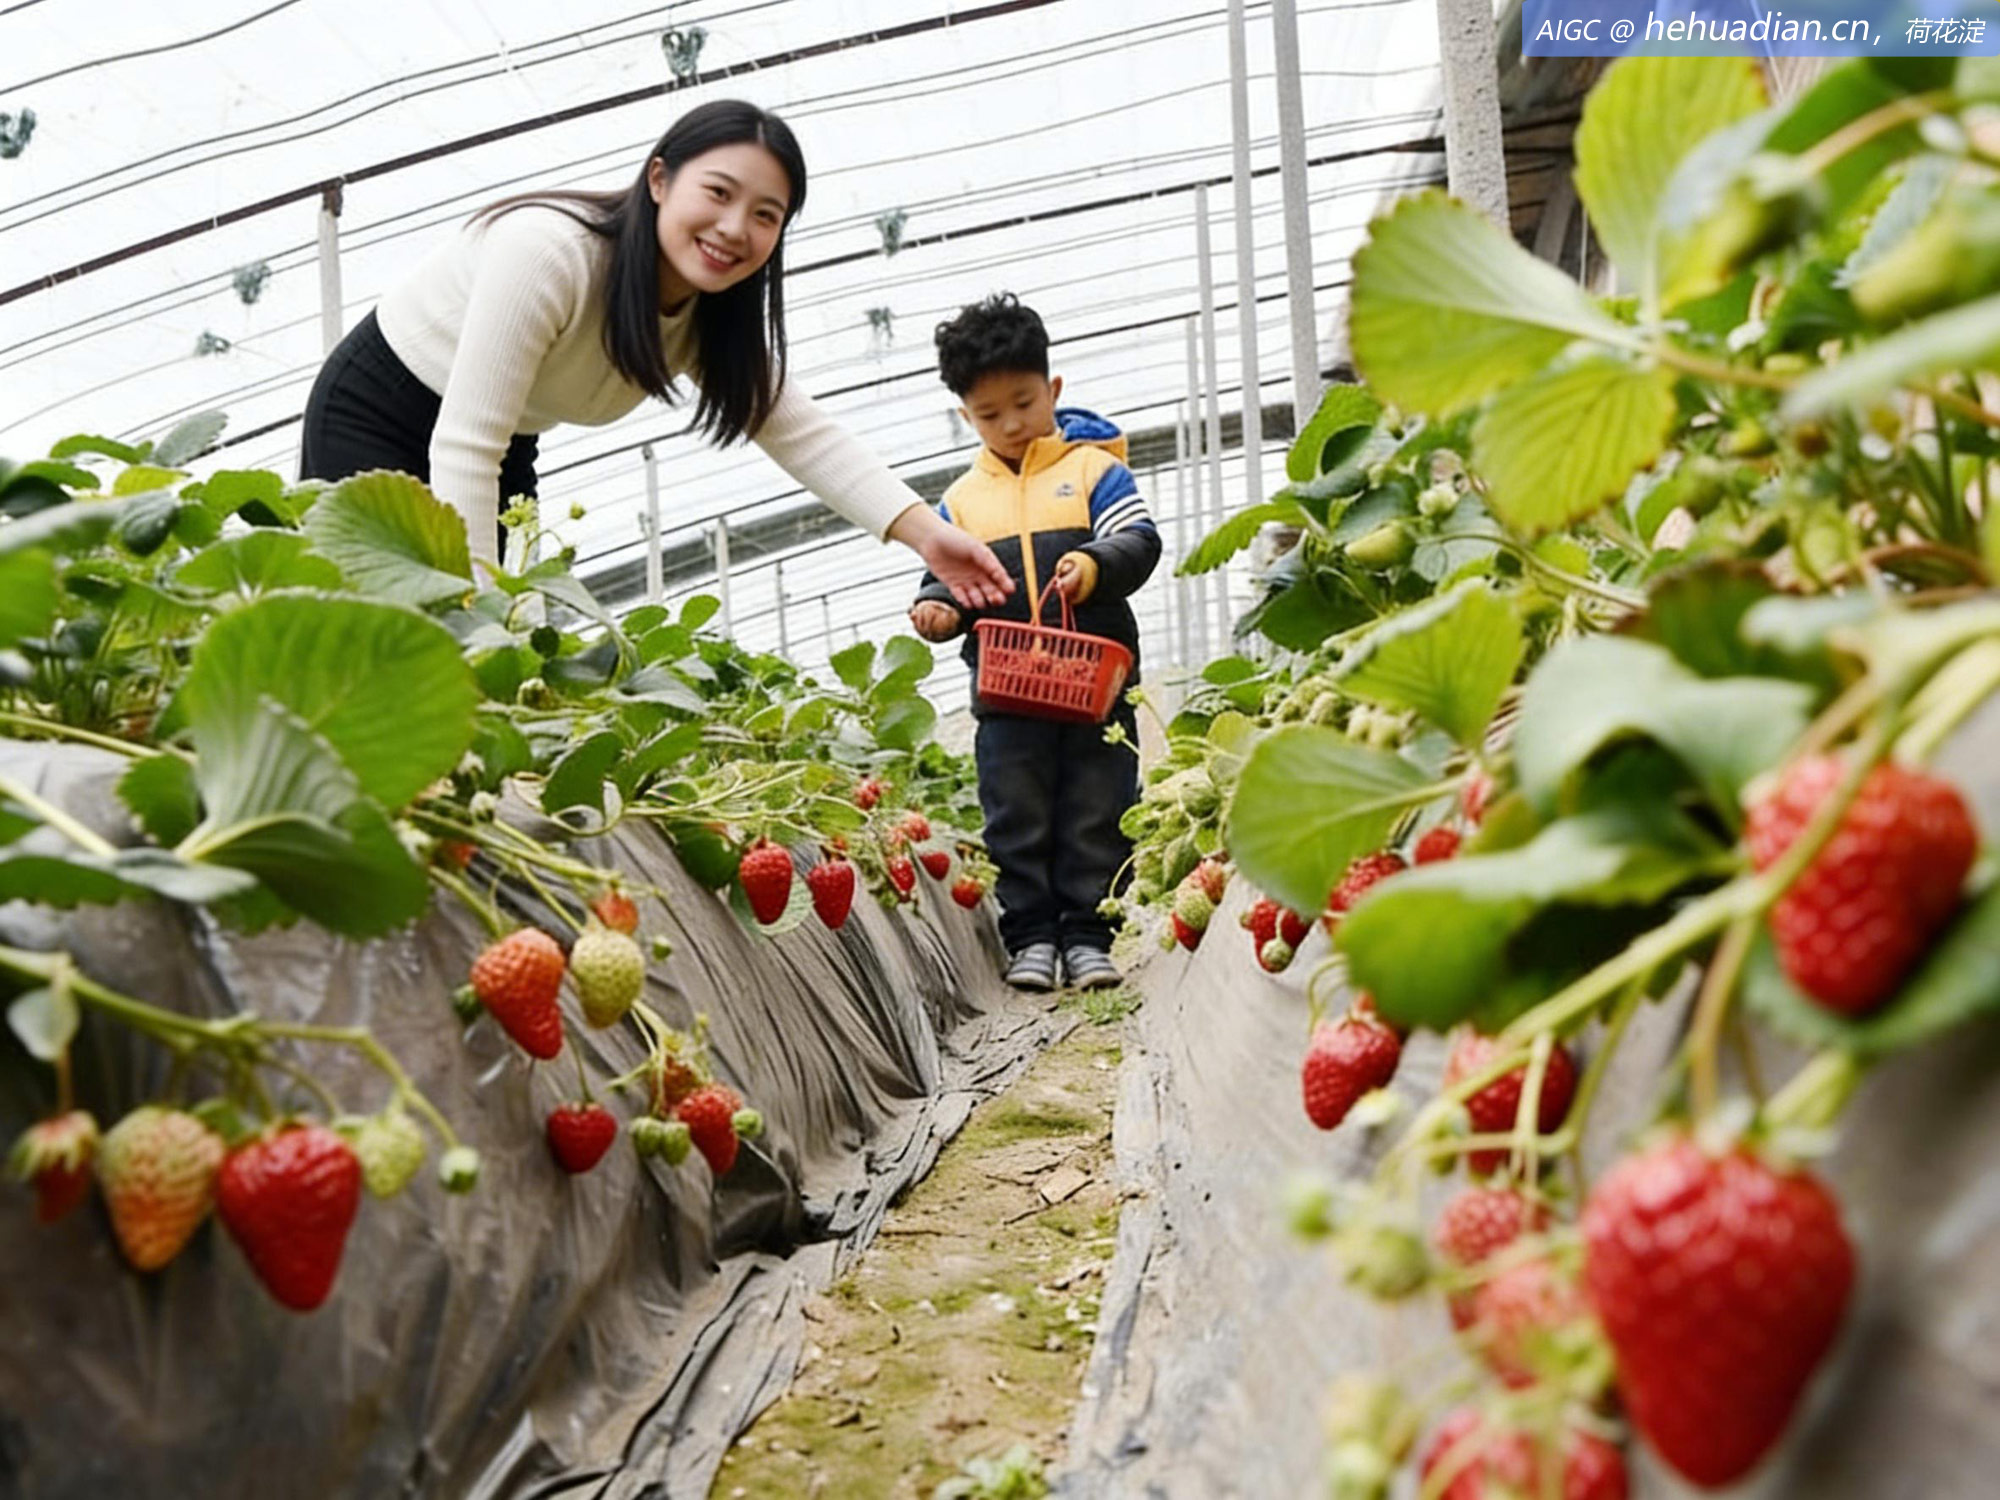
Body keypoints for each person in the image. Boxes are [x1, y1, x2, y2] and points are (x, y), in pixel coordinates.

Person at [298, 99, 1011, 610]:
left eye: (766, 215)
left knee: (495, 627)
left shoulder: (711, 318)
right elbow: (465, 443)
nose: (735, 229)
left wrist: (927, 536)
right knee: (373, 620)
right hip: (382, 413)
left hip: (504, 443)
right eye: (719, 193)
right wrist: (479, 622)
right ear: (660, 179)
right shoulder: (548, 252)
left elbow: (801, 432)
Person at [908, 294, 1160, 993]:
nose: (1012, 424)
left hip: (1095, 685)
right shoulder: (960, 503)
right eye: (990, 415)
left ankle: (1088, 935)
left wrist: (1096, 564)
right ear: (966, 416)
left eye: (1024, 402)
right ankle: (1031, 937)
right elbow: (945, 579)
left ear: (1052, 389)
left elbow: (1140, 540)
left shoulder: (1094, 473)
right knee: (1013, 807)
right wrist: (935, 610)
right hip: (1007, 690)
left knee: (1098, 803)